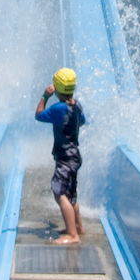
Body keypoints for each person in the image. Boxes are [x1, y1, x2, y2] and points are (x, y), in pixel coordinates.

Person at [35, 68, 87, 245]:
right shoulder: (77, 105)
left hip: (64, 158)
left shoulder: (58, 108)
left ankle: (73, 235)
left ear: (56, 88)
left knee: (59, 193)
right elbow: (83, 121)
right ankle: (78, 226)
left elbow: (39, 115)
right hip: (75, 156)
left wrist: (44, 97)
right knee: (71, 194)